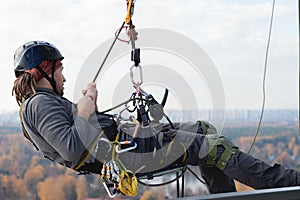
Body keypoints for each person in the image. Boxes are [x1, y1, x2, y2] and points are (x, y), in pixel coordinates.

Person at [12, 41, 300, 195]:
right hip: (127, 153)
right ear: (44, 70)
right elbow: (73, 149)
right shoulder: (39, 104)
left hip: (131, 144)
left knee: (204, 130)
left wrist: (88, 110)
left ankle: (223, 195)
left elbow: (81, 135)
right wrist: (86, 106)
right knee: (215, 147)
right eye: (60, 70)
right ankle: (290, 183)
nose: (64, 76)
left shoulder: (45, 103)